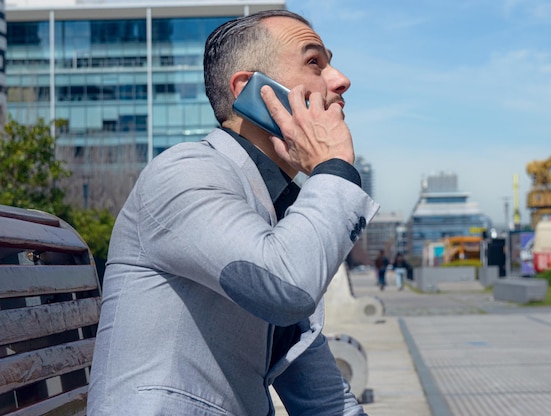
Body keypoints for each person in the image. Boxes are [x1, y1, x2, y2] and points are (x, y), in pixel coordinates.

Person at [87, 9, 378, 416]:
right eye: (314, 61)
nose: (340, 79)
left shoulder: (281, 214)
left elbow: (325, 400)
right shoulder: (186, 172)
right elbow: (286, 287)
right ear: (252, 91)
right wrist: (335, 168)